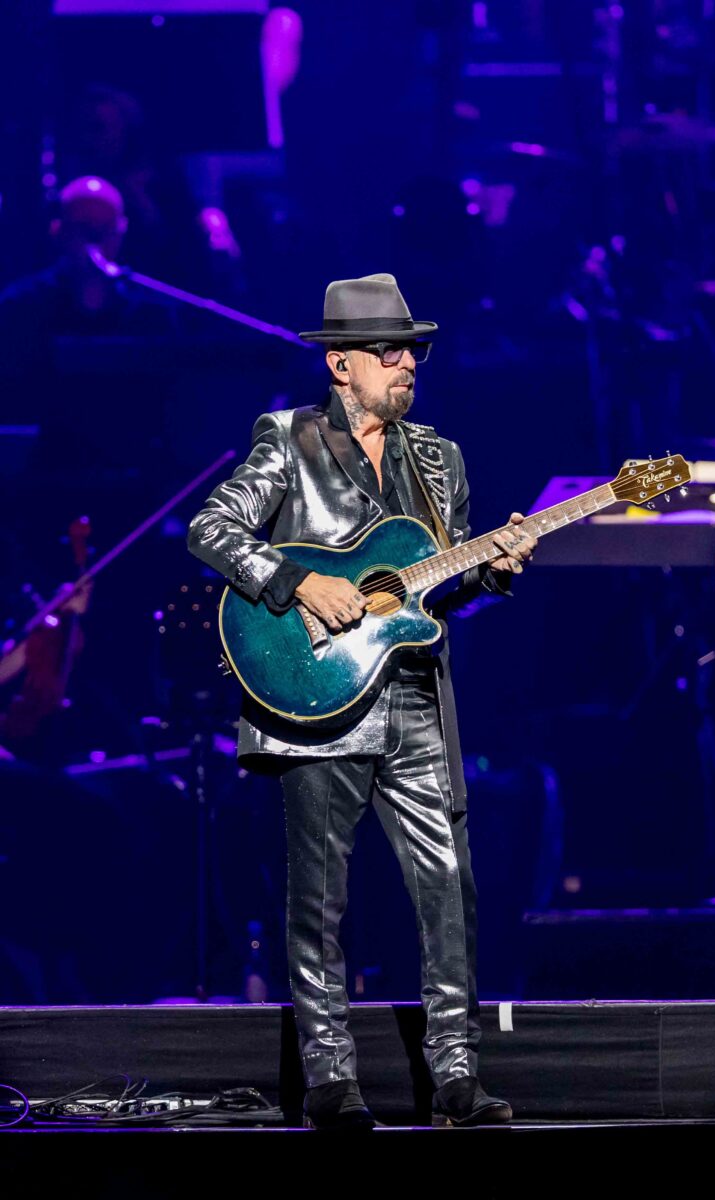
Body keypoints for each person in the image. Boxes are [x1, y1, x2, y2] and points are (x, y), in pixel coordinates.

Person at [187, 273, 536, 1128]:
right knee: (319, 899)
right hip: (319, 696)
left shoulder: (439, 460)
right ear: (340, 364)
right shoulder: (288, 439)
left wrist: (489, 571)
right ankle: (330, 1082)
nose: (407, 363)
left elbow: (429, 595)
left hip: (412, 694)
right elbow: (212, 528)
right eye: (388, 351)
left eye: (413, 350)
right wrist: (299, 582)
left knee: (449, 887)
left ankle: (457, 1076)